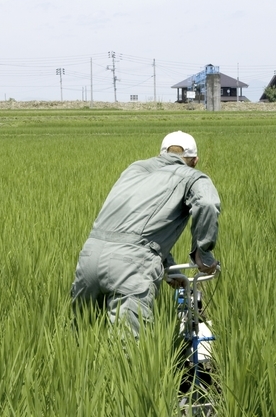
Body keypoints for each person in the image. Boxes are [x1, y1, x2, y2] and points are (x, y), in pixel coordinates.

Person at [70, 131, 221, 336]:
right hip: (130, 268)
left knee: (81, 337)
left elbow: (135, 229)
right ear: (195, 160)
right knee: (127, 350)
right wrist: (202, 253)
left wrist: (167, 266)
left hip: (89, 257)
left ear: (161, 154)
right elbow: (208, 204)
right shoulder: (193, 177)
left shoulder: (135, 169)